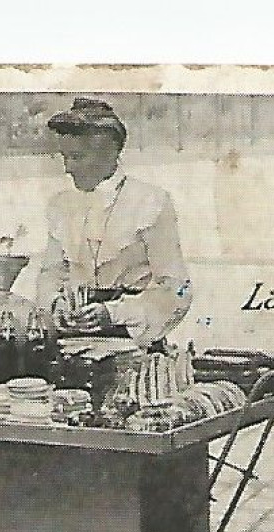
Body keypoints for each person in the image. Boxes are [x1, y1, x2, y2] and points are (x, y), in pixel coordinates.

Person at [33, 98, 192, 348]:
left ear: (109, 154)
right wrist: (56, 303)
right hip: (72, 342)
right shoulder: (60, 207)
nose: (68, 168)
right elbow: (50, 273)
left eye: (77, 157)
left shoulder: (151, 202)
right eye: (64, 157)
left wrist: (114, 314)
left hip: (134, 342)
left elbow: (178, 291)